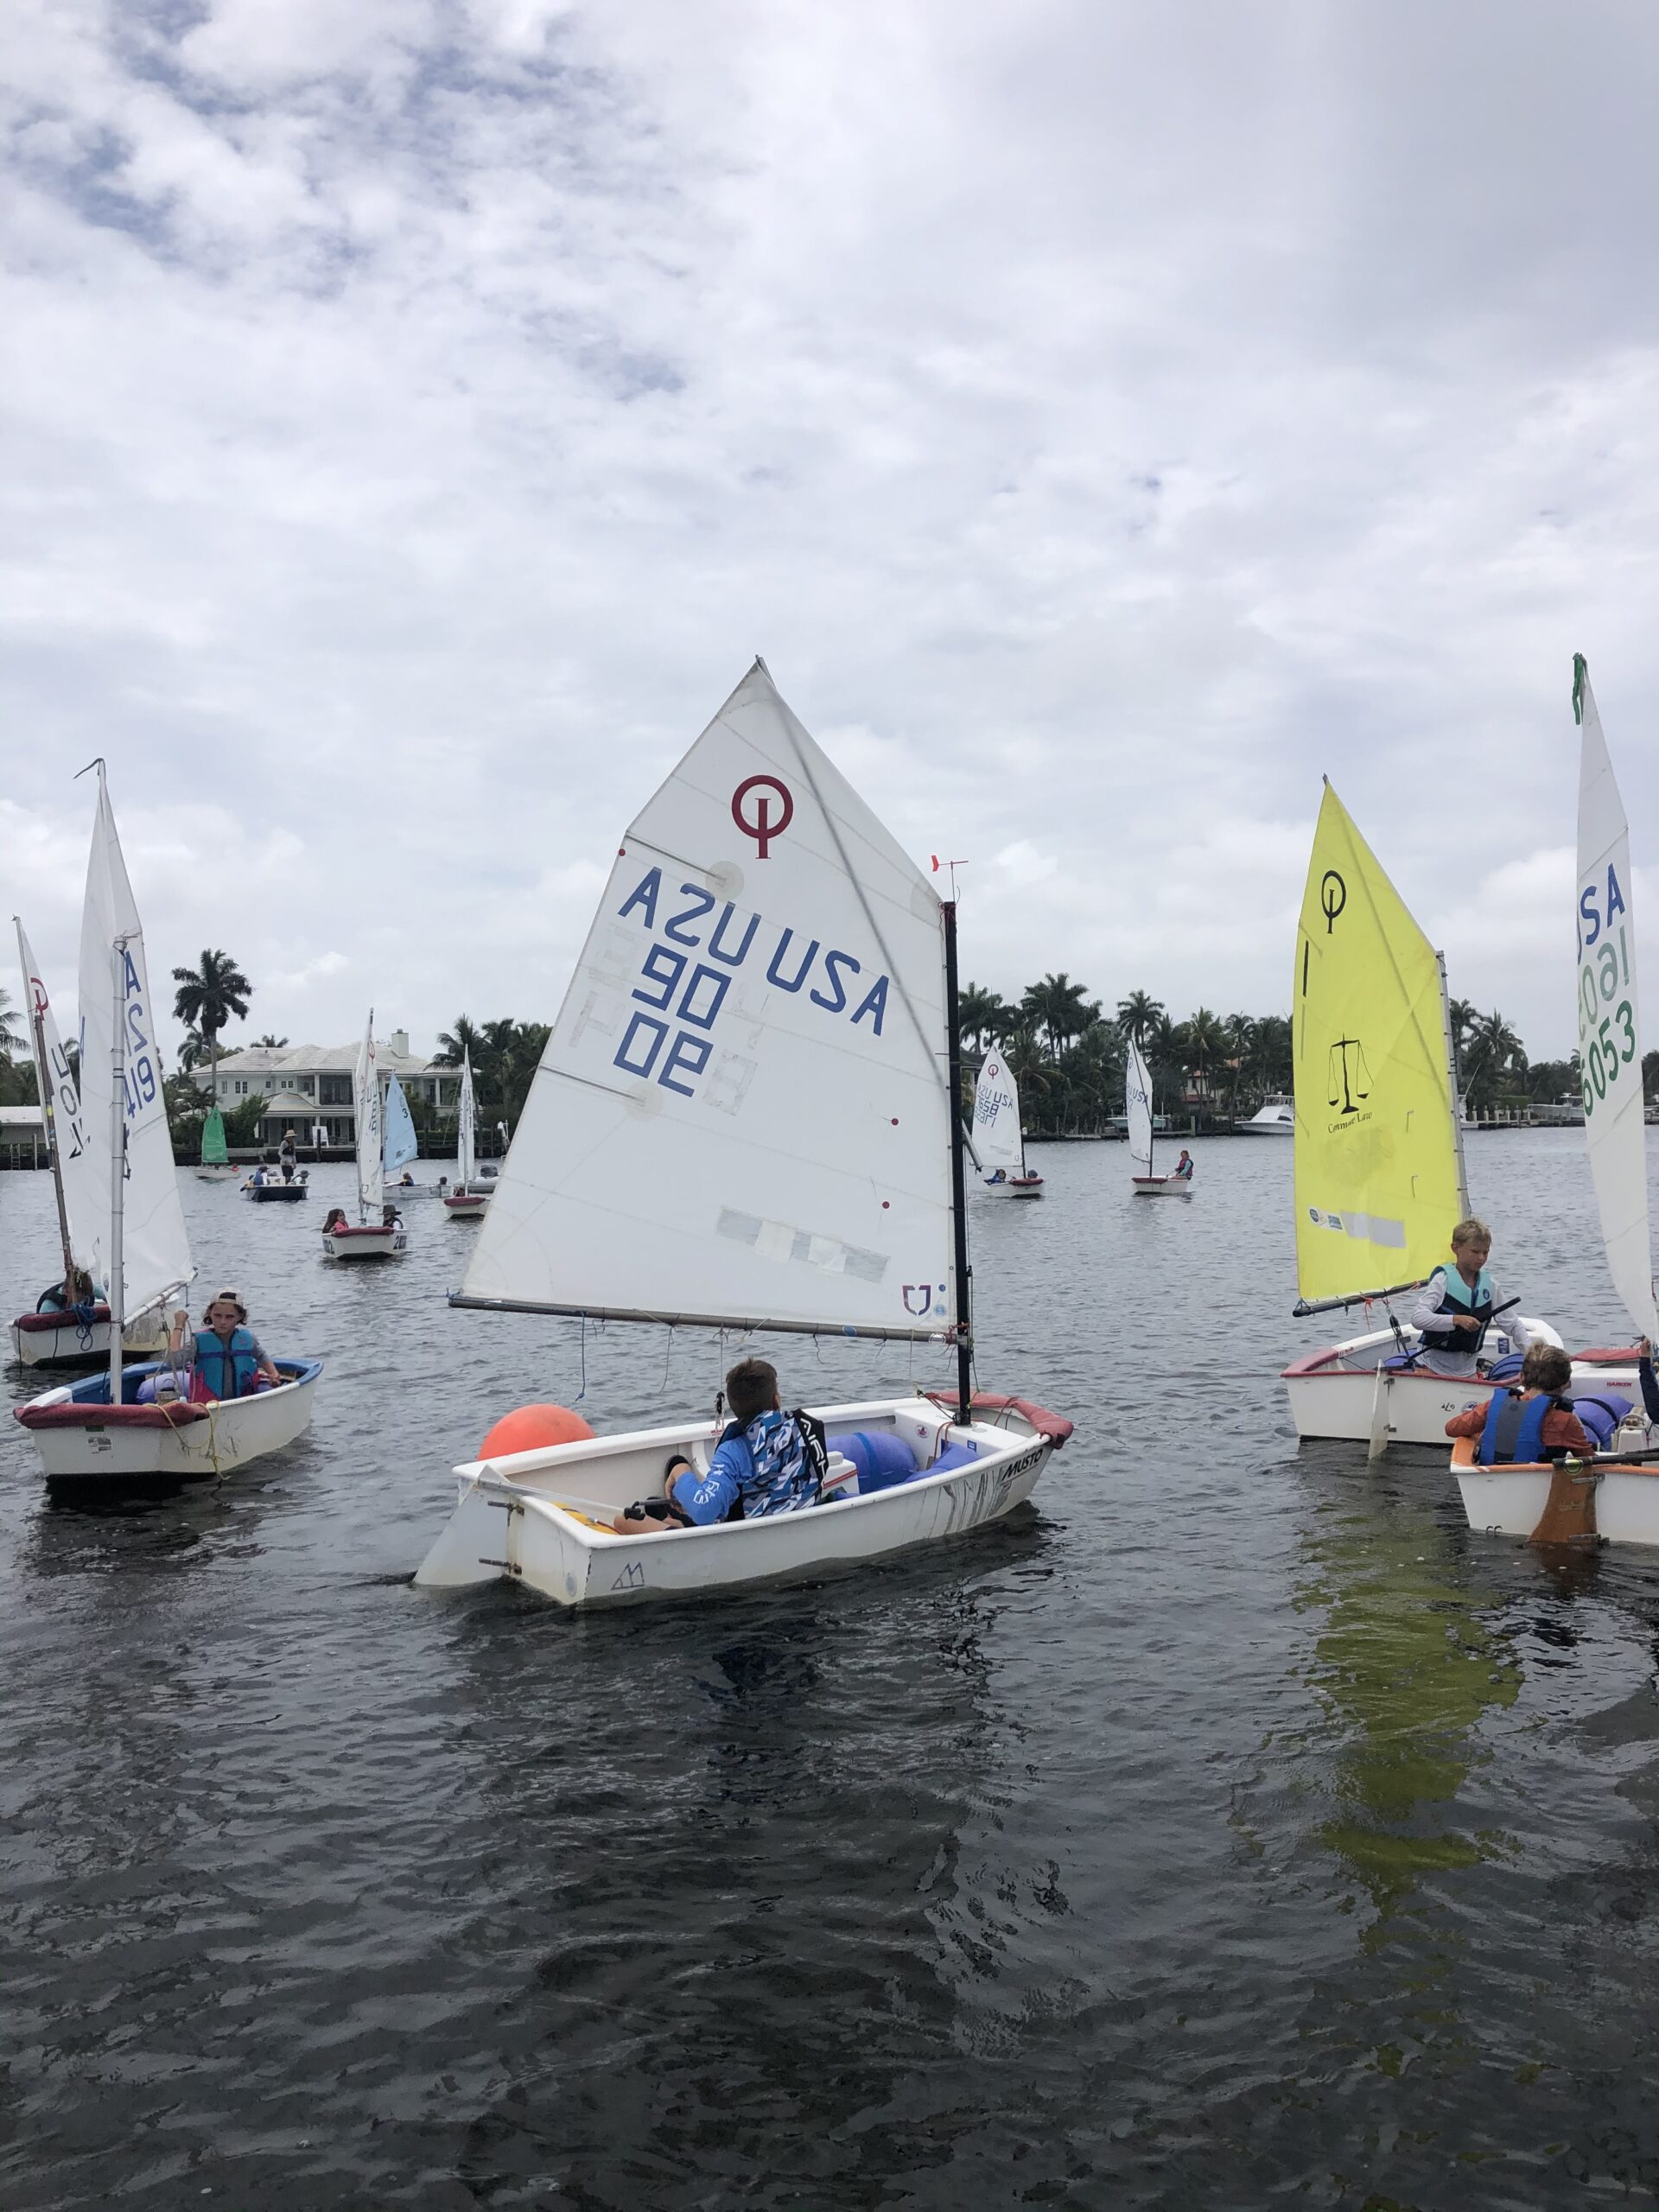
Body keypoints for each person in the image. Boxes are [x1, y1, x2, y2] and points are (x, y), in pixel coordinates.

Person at [612, 1356, 829, 1533]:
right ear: (776, 1401)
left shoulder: (735, 1449)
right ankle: (675, 1522)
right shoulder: (805, 1427)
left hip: (750, 1538)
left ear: (734, 1409)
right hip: (801, 1525)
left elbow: (705, 1511)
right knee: (654, 1504)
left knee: (623, 1520)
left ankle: (675, 1526)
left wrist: (680, 1471)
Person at [1406, 1217, 1535, 1379]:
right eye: (1475, 1252)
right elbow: (1418, 1319)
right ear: (1455, 1248)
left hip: (1468, 1372)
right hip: (1430, 1368)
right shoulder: (1442, 1281)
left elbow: (1513, 1325)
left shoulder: (1490, 1285)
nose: (1481, 1258)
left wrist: (1532, 1356)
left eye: (1485, 1252)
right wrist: (1456, 1320)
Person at [1444, 1343, 1593, 1464]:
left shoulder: (1492, 1407)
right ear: (1566, 1384)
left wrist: (1482, 1432)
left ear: (1521, 1378)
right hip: (1539, 1491)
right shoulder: (1565, 1421)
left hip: (1490, 1483)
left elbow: (1451, 1428)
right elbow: (1590, 1460)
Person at [168, 1289, 283, 1402]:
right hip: (209, 1408)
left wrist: (273, 1373)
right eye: (218, 1315)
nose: (223, 1321)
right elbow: (175, 1362)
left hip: (244, 1403)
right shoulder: (198, 1341)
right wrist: (179, 1327)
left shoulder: (247, 1339)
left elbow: (262, 1356)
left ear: (240, 1316)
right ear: (209, 1313)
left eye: (229, 1317)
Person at [36, 1264, 100, 1313]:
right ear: (67, 1292)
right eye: (79, 1299)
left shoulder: (85, 1289)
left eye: (84, 1299)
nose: (81, 1303)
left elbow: (104, 1294)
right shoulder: (49, 1306)